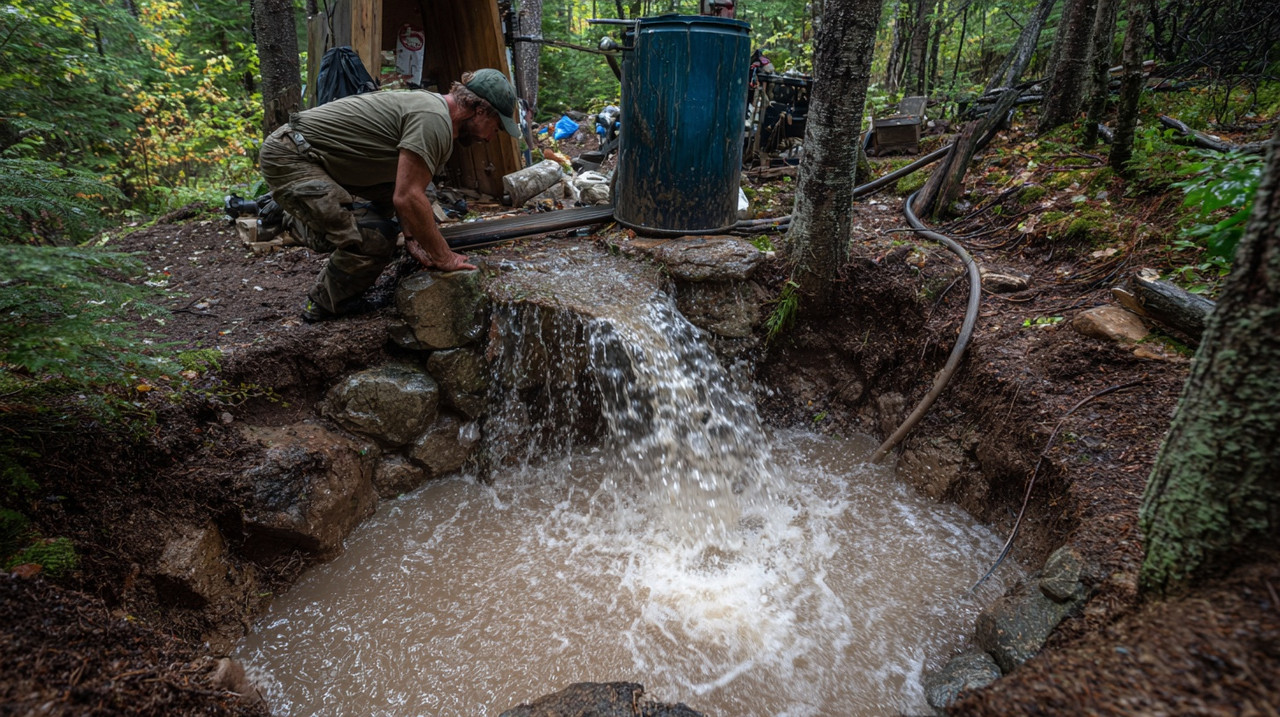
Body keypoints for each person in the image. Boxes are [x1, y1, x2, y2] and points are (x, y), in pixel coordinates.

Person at [258, 68, 521, 322]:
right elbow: (407, 197)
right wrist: (445, 257)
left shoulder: (437, 116)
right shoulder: (433, 120)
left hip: (326, 162)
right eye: (496, 127)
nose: (489, 138)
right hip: (292, 154)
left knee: (386, 218)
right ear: (480, 110)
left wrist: (411, 237)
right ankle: (325, 302)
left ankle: (300, 208)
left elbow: (402, 189)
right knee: (371, 238)